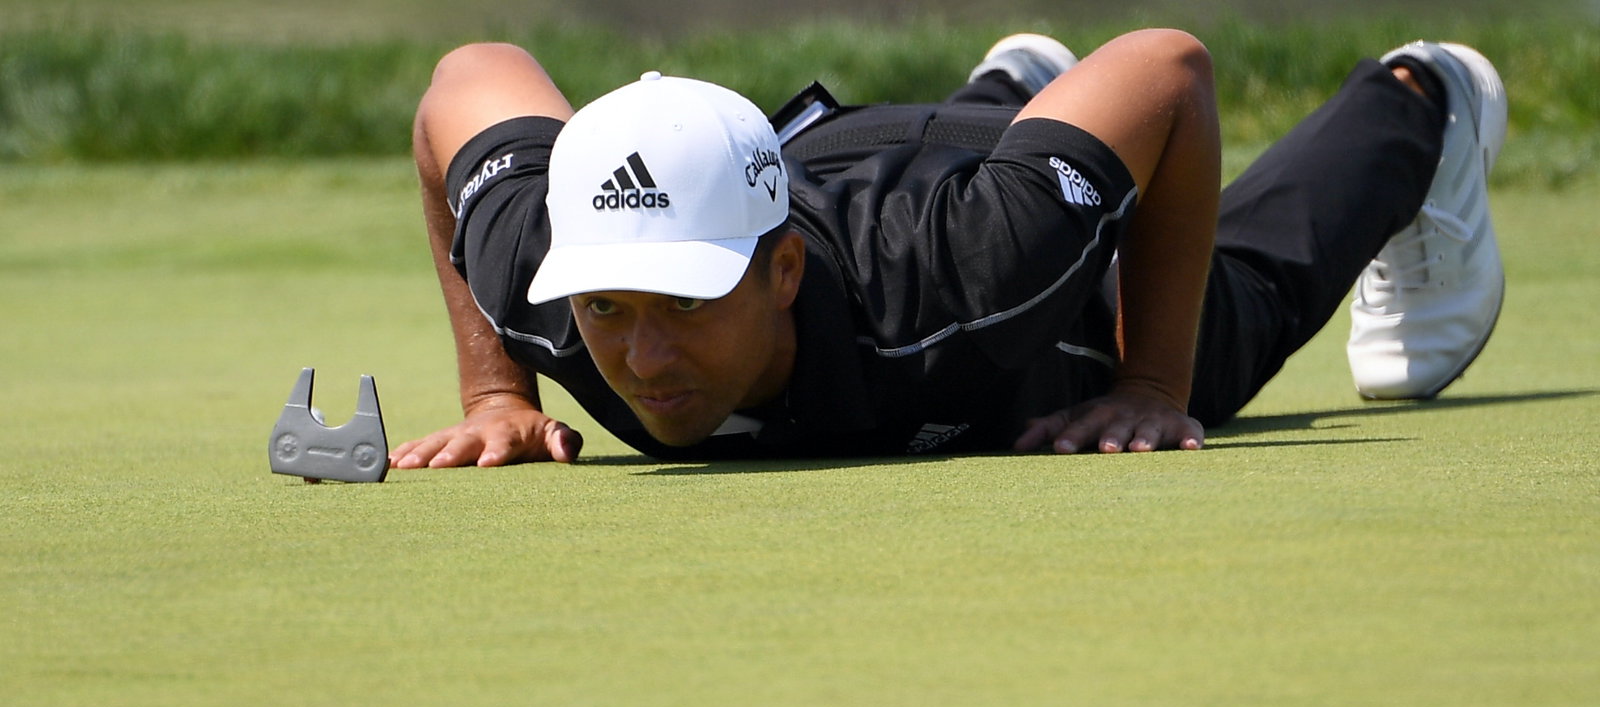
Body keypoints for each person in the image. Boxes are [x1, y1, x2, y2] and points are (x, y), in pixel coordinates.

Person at [390, 28, 1505, 467]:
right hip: (838, 157)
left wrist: (1154, 378)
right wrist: (497, 389)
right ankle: (1020, 90)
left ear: (780, 275)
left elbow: (1170, 69)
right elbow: (464, 78)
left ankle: (1424, 99)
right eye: (611, 310)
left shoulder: (966, 274)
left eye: (684, 303)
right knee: (1000, 177)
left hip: (967, 220)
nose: (636, 359)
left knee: (1239, 304)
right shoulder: (545, 266)